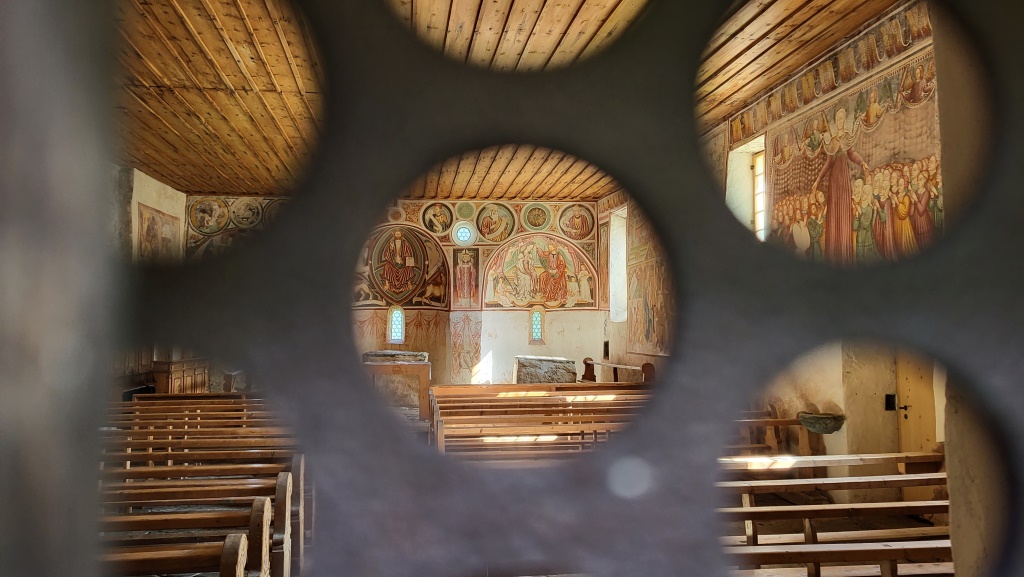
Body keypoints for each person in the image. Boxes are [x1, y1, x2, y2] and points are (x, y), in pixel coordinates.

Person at [812, 107, 868, 265]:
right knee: (834, 212)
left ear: (844, 121)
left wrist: (862, 163)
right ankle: (833, 253)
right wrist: (817, 180)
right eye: (838, 119)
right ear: (836, 122)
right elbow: (828, 163)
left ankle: (844, 252)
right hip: (834, 181)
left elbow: (852, 154)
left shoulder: (847, 138)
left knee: (844, 210)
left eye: (842, 118)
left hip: (843, 180)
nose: (840, 121)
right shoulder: (833, 141)